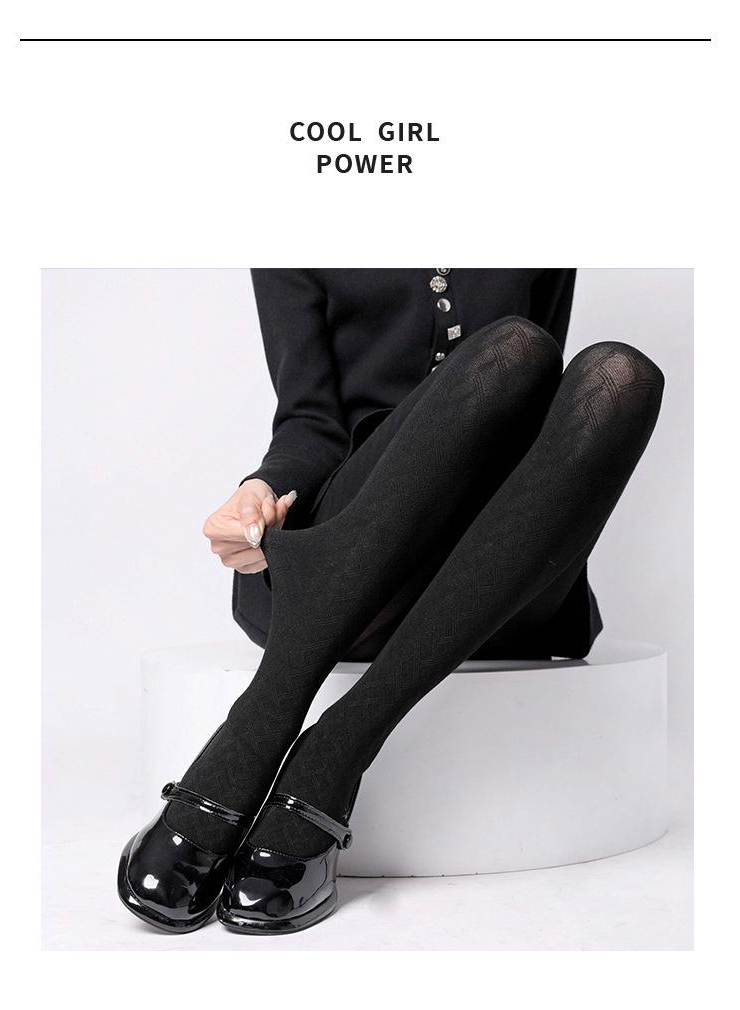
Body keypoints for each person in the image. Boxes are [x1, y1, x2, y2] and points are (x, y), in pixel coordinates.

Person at [117, 269, 664, 935]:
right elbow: (311, 420)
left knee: (621, 375)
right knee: (512, 350)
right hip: (359, 553)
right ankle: (265, 717)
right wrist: (263, 488)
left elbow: (544, 414)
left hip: (499, 568)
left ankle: (336, 748)